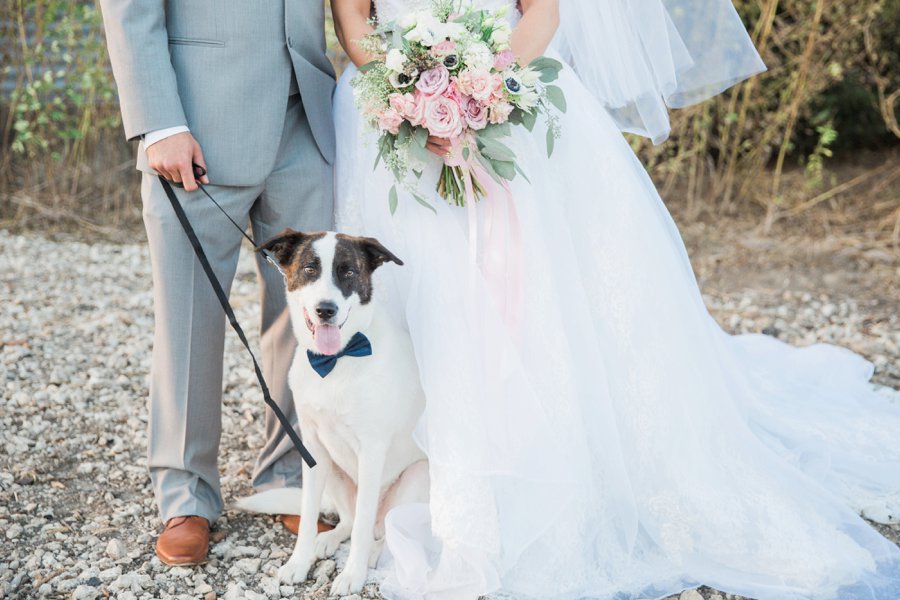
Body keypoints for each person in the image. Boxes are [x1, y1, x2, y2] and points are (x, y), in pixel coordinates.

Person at [330, 0, 900, 598]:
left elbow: (543, 16)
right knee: (417, 298)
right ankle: (400, 471)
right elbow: (352, 24)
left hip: (510, 98)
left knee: (544, 301)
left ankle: (545, 472)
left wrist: (477, 98)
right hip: (390, 114)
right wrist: (417, 104)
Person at [97, 1, 336, 565]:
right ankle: (187, 495)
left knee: (304, 314)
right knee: (189, 317)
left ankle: (289, 471)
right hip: (196, 124)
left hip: (306, 117)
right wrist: (159, 121)